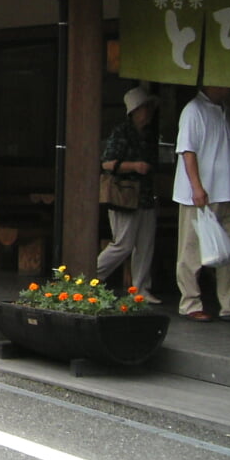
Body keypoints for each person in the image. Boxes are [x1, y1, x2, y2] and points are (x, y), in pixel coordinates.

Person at [172, 85, 230, 322]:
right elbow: (187, 151)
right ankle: (190, 302)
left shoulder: (226, 111)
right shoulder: (193, 110)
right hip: (203, 193)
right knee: (191, 250)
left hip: (228, 192)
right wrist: (197, 187)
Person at [97, 88, 162, 302]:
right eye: (144, 108)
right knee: (123, 244)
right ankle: (92, 277)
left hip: (145, 196)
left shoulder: (150, 134)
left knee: (145, 244)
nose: (148, 113)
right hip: (124, 196)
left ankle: (141, 288)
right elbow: (106, 163)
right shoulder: (121, 132)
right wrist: (134, 166)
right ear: (134, 111)